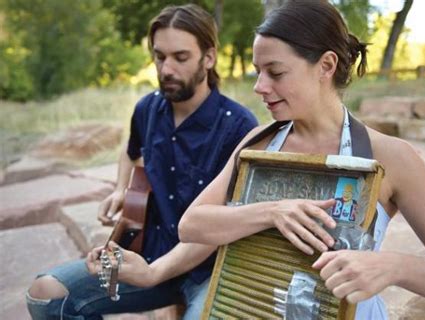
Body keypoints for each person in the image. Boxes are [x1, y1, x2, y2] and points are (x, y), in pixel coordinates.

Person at [178, 1, 425, 318]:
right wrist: (272, 212)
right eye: (258, 72)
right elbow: (192, 225)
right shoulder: (259, 142)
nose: (260, 86)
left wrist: (394, 266)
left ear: (326, 65)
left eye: (275, 72)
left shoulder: (389, 156)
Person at [26, 4, 258, 319]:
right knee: (47, 297)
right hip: (147, 255)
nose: (166, 69)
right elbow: (130, 148)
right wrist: (123, 190)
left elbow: (224, 225)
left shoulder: (240, 127)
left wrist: (156, 272)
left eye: (180, 57)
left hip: (209, 269)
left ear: (209, 57)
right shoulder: (147, 108)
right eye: (159, 56)